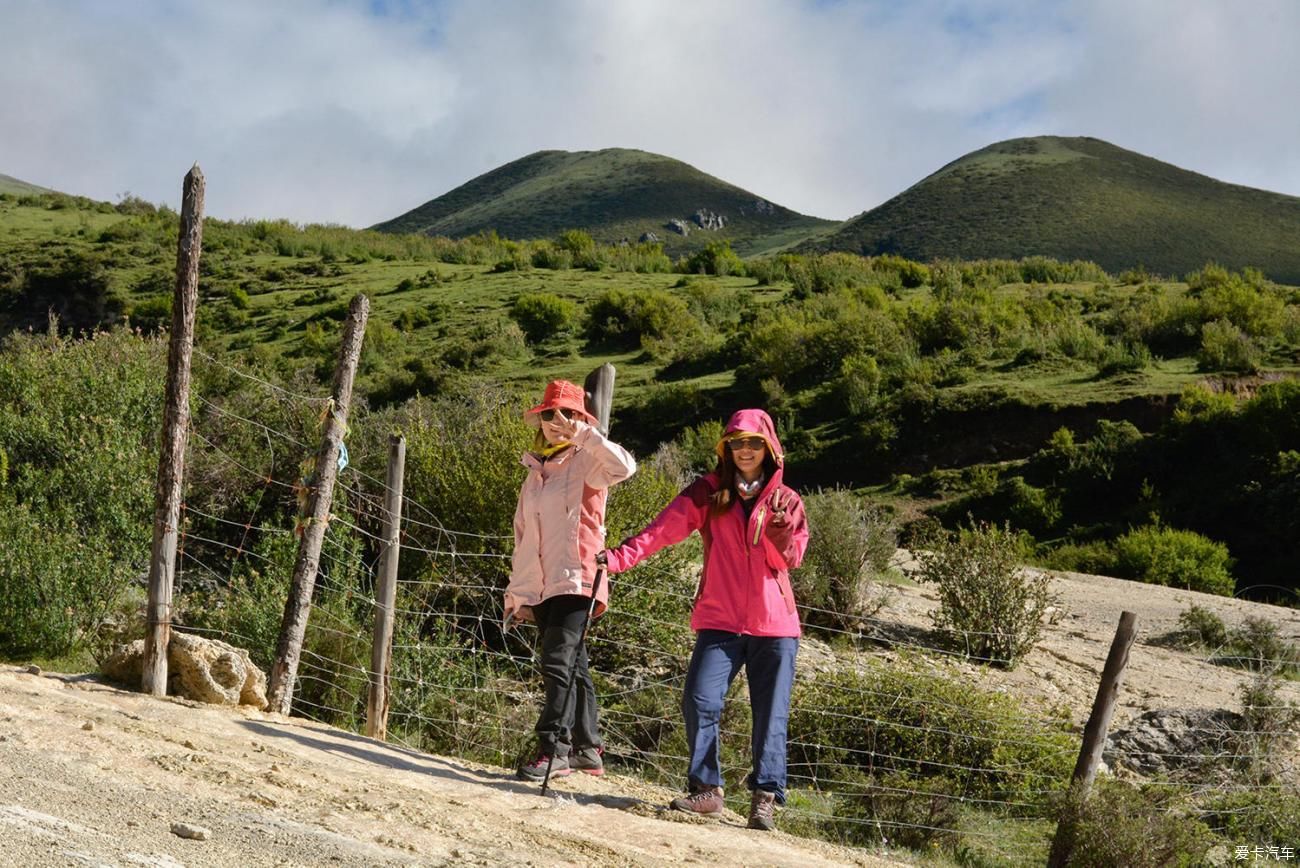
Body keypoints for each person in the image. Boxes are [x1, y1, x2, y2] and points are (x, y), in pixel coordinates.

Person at [601, 408, 807, 831]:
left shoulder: (787, 501)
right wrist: (618, 559)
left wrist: (779, 528)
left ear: (768, 448)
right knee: (699, 698)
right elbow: (662, 530)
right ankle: (707, 790)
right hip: (720, 620)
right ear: (726, 449)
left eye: (753, 442)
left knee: (771, 715)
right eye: (736, 442)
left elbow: (792, 559)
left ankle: (764, 798)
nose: (744, 450)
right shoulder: (709, 492)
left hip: (775, 627)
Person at [504, 379, 636, 782]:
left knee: (556, 662)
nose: (556, 420)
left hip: (578, 578)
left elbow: (625, 467)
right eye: (549, 413)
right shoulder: (534, 471)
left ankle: (553, 748)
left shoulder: (589, 462)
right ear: (539, 420)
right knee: (574, 666)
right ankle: (587, 748)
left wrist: (585, 436)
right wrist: (518, 595)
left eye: (567, 413)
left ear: (581, 418)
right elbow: (523, 538)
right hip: (542, 585)